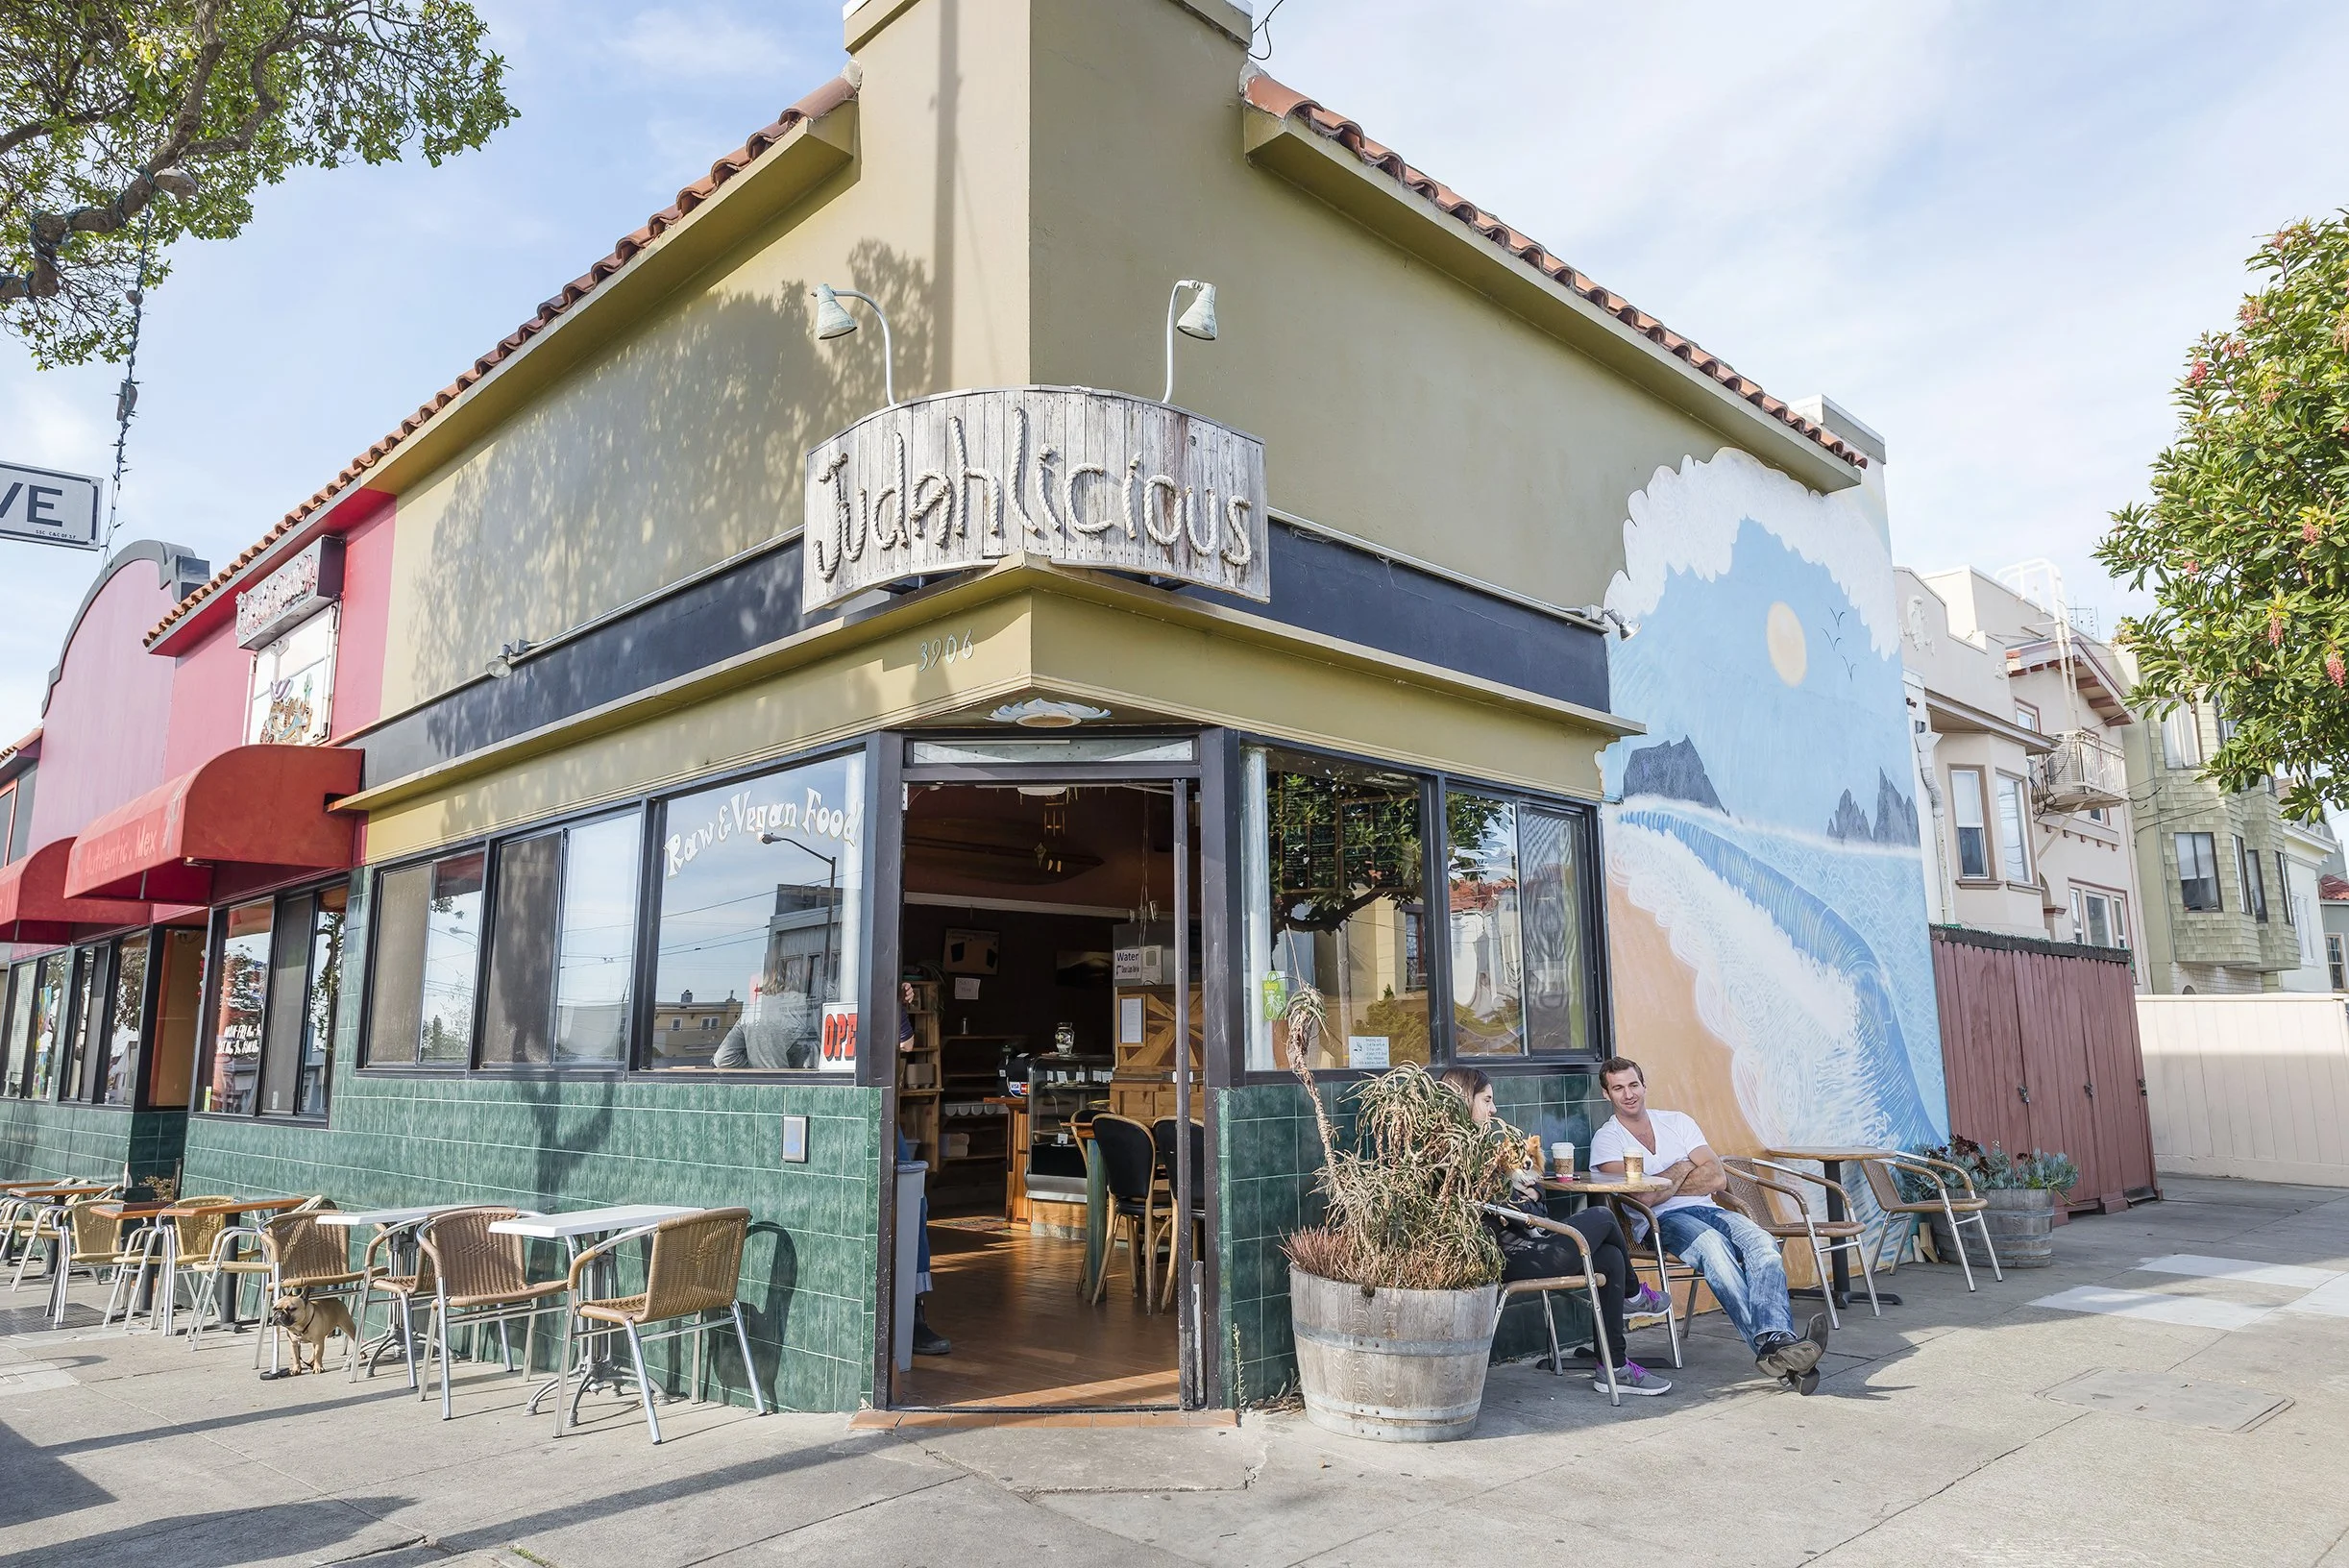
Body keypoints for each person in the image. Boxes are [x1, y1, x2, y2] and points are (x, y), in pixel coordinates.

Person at [1588, 1055, 1828, 1393]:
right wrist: (1685, 1165)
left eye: (1633, 1085)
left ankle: (1775, 1345)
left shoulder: (1677, 1122)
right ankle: (1778, 1347)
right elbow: (1641, 1198)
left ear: (1644, 1086)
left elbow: (1716, 1178)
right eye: (1618, 1088)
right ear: (1606, 1094)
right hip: (1661, 1222)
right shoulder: (1607, 1140)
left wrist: (1662, 1183)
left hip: (1709, 1210)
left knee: (1764, 1243)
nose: (1628, 1094)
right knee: (1715, 1251)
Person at [1441, 1067, 1672, 1398]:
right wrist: (1520, 1202)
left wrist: (1527, 1198)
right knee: (1603, 1216)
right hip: (1512, 1258)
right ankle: (1634, 1297)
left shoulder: (1483, 1148)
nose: (1494, 1109)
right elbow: (1493, 1208)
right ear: (1465, 1099)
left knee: (1608, 1258)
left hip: (1530, 1245)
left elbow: (1530, 1199)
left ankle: (1614, 1367)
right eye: (1487, 1100)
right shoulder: (1455, 1154)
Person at [896, 980, 949, 1356]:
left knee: (912, 1203)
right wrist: (897, 1006)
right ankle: (911, 1320)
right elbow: (906, 1044)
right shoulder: (872, 987)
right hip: (871, 1111)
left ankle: (909, 1315)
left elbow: (725, 1060)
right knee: (913, 1205)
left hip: (871, 1109)